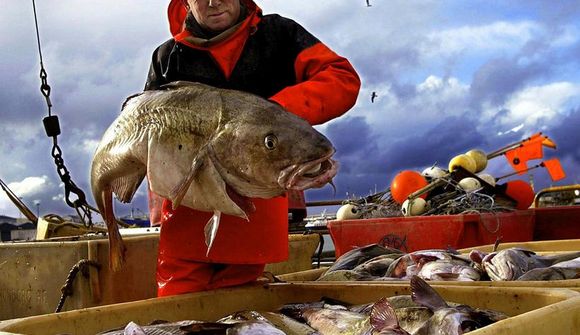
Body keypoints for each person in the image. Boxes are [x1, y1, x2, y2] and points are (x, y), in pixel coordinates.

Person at [145, 0, 360, 296]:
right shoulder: (167, 57)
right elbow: (145, 126)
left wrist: (274, 115)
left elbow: (342, 78)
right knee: (177, 307)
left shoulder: (279, 35)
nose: (213, 1)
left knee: (242, 308)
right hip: (188, 207)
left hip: (258, 200)